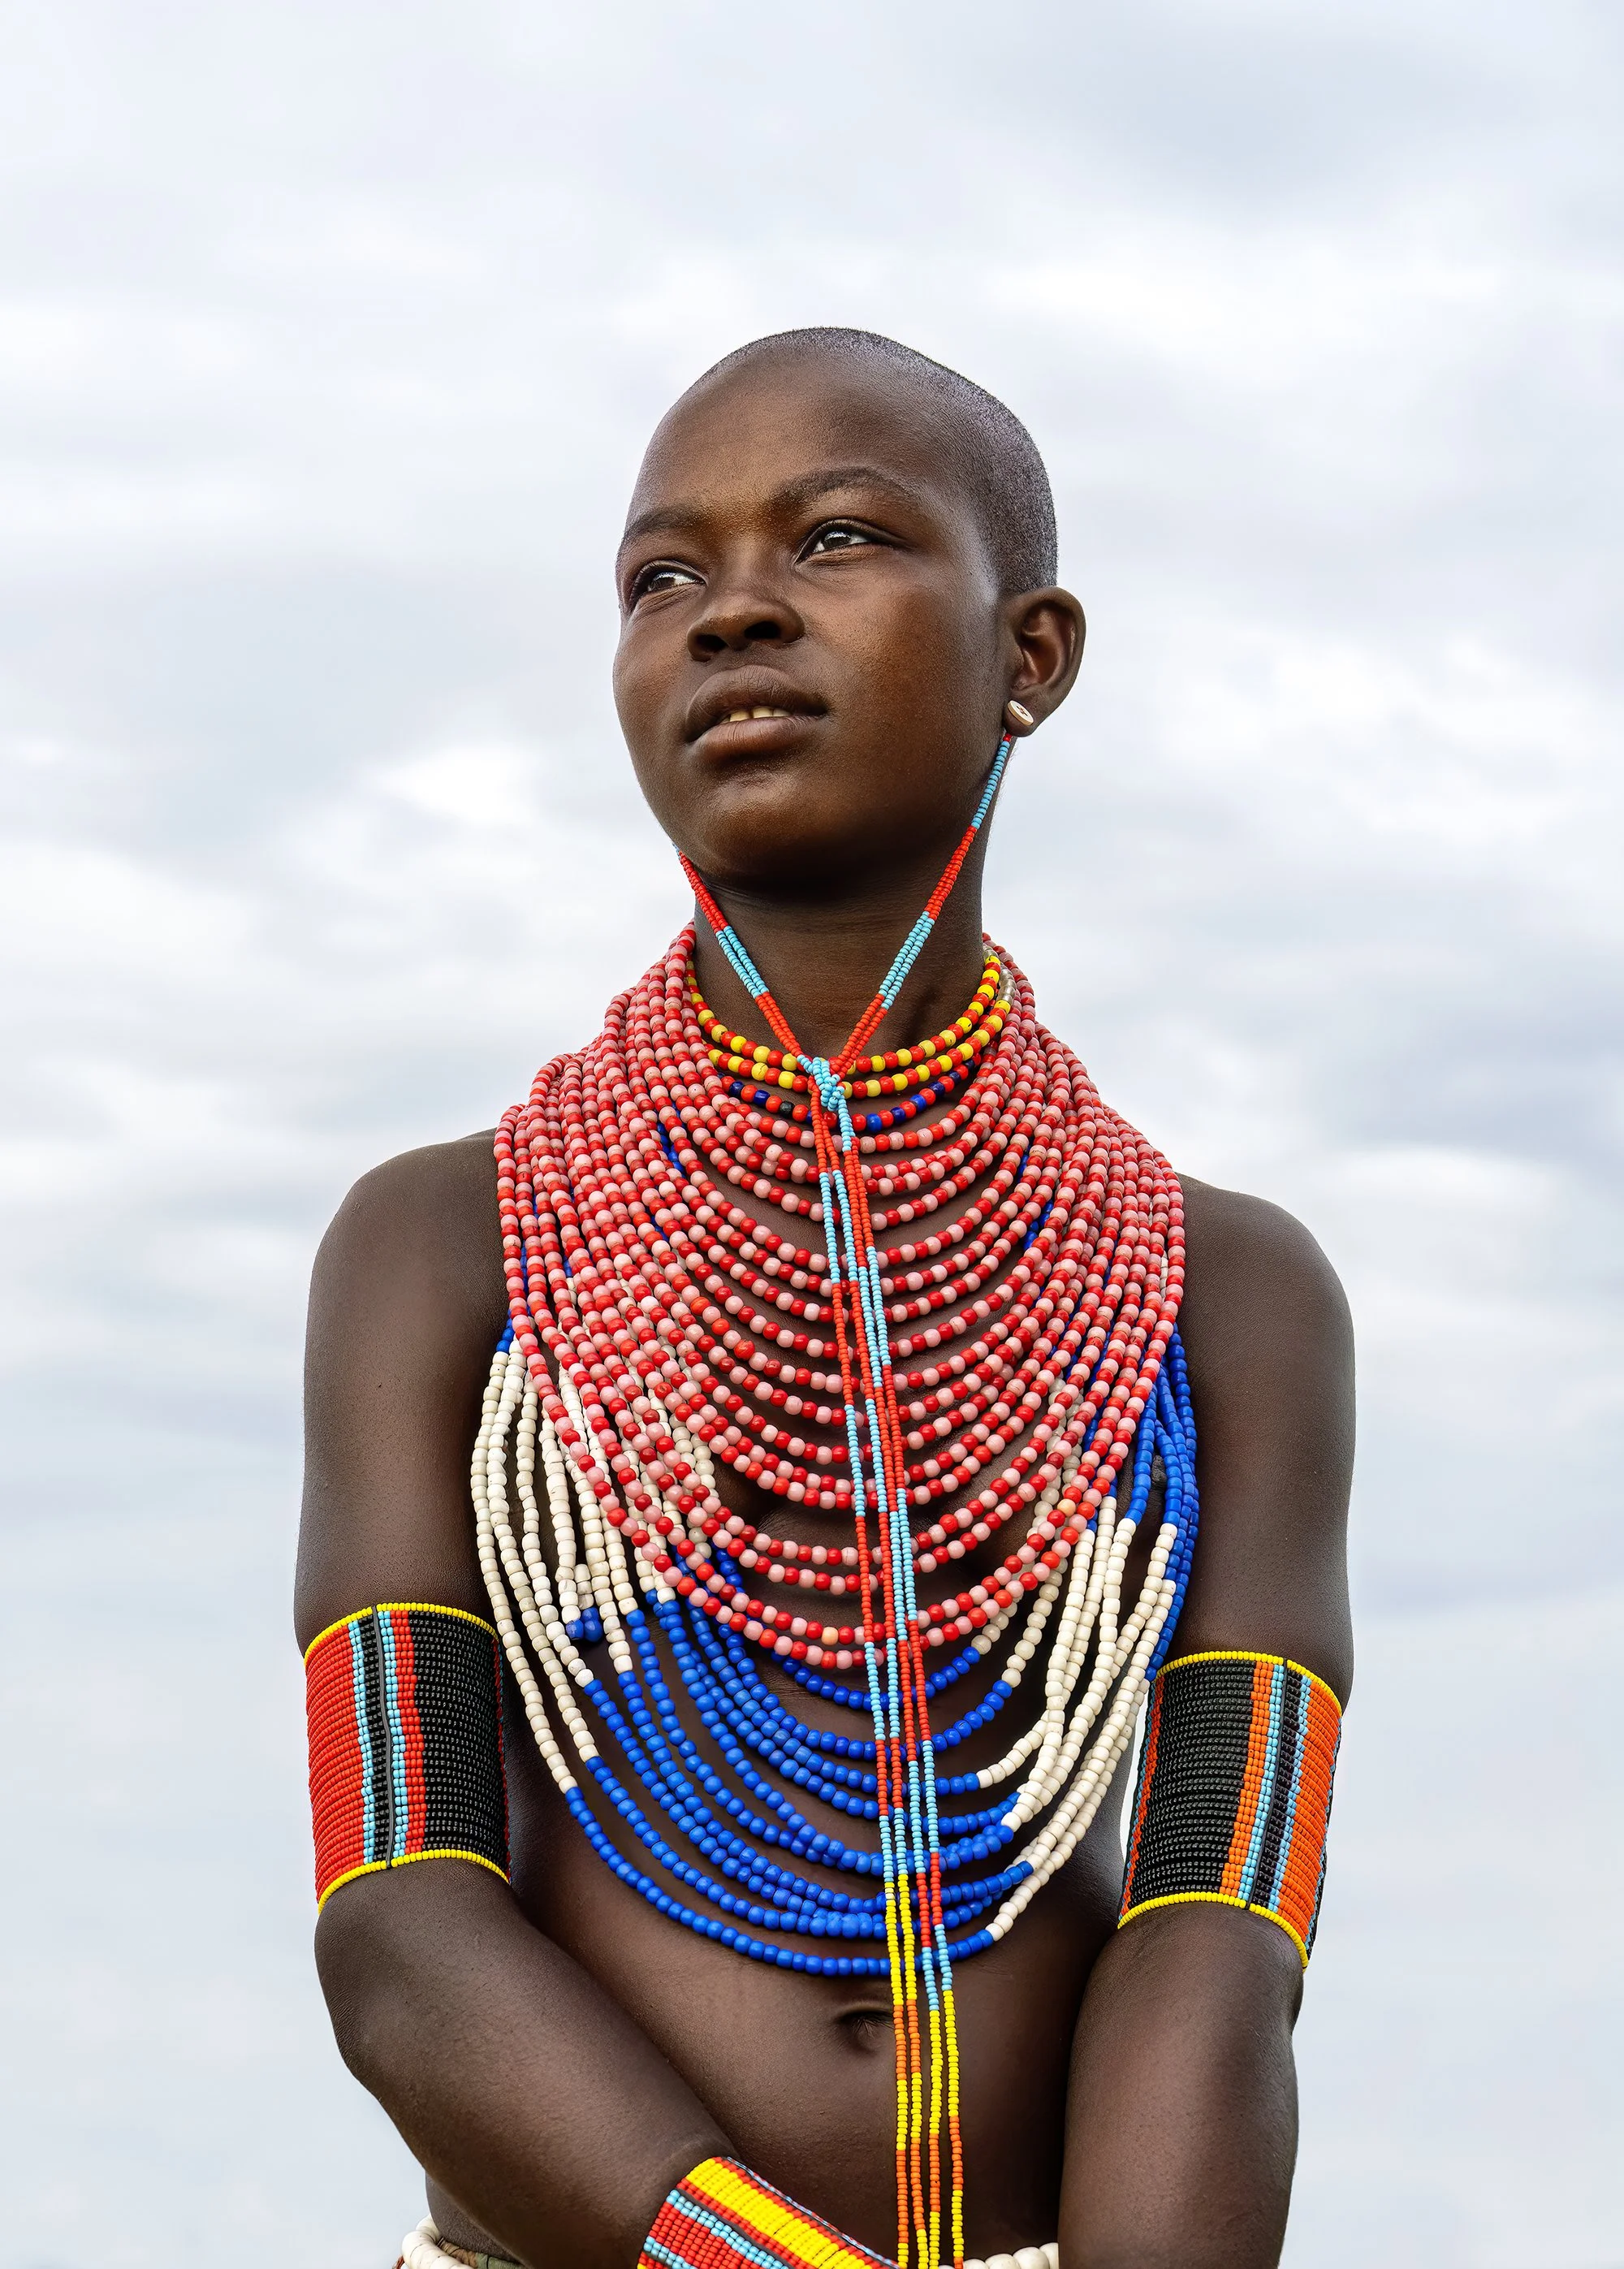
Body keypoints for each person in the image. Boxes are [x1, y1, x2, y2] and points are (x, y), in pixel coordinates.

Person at [296, 327, 1354, 2269]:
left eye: (838, 537)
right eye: (661, 578)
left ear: (1029, 654)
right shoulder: (448, 1246)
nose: (731, 616)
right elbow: (396, 1915)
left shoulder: (1229, 1292)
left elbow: (1221, 1925)